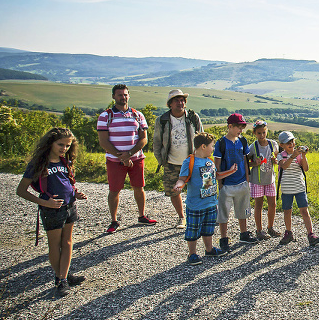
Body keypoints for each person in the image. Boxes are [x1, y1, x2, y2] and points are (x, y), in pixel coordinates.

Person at [16, 127, 88, 296]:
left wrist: (75, 193)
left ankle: (65, 274)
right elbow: (21, 190)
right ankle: (61, 279)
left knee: (68, 242)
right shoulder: (39, 164)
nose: (64, 149)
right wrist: (44, 202)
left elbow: (66, 183)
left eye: (68, 146)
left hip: (70, 205)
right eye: (60, 145)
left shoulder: (66, 162)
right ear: (50, 143)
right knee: (55, 245)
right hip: (52, 210)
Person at [97, 84, 156, 234]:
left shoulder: (138, 115)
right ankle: (113, 220)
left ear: (129, 96)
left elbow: (144, 139)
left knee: (139, 187)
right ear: (113, 97)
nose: (123, 97)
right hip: (114, 160)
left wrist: (128, 154)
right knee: (114, 190)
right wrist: (121, 157)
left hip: (136, 158)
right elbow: (103, 141)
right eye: (119, 95)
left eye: (125, 95)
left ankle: (142, 215)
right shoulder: (105, 116)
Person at [172, 133, 235, 265]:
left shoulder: (209, 161)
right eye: (211, 146)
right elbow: (182, 179)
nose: (213, 149)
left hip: (210, 203)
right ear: (203, 146)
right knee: (193, 229)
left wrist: (230, 172)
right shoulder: (189, 162)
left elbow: (215, 176)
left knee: (208, 228)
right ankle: (192, 254)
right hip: (195, 205)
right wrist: (179, 186)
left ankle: (209, 249)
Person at [153, 89, 203, 229]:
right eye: (176, 100)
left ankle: (196, 216)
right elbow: (157, 142)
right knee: (174, 191)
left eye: (182, 100)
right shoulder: (162, 120)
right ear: (170, 104)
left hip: (193, 161)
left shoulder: (193, 117)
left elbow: (202, 137)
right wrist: (161, 160)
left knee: (198, 190)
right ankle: (182, 217)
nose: (180, 103)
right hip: (171, 163)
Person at [213, 113, 253, 252]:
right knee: (223, 213)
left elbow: (245, 161)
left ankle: (244, 234)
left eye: (242, 127)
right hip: (227, 184)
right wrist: (220, 184)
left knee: (243, 210)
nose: (240, 130)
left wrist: (247, 180)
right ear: (230, 126)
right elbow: (217, 164)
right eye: (238, 127)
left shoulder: (243, 141)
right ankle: (223, 239)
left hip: (242, 182)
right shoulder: (221, 143)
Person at [276, 131, 319, 246]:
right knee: (287, 211)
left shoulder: (299, 155)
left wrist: (303, 156)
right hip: (286, 189)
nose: (291, 144)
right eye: (287, 143)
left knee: (304, 211)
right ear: (282, 145)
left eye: (292, 141)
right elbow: (284, 166)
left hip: (299, 187)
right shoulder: (281, 156)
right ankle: (288, 232)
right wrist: (293, 156)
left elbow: (306, 168)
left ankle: (311, 234)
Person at [248, 119, 280, 240]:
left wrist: (275, 160)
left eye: (264, 132)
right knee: (259, 205)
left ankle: (270, 227)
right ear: (254, 133)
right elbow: (247, 163)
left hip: (270, 179)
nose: (262, 135)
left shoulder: (273, 144)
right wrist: (254, 163)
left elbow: (277, 157)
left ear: (267, 131)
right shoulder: (252, 147)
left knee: (273, 204)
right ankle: (259, 230)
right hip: (257, 181)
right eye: (259, 133)